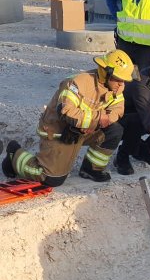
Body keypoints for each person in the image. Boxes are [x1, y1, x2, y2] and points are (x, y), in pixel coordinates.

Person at [2, 50, 135, 185]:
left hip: (82, 130)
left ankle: (91, 169)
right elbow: (67, 112)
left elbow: (118, 110)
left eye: (123, 80)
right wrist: (97, 119)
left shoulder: (116, 88)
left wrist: (94, 123)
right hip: (61, 131)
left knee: (115, 130)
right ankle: (15, 155)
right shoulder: (76, 83)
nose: (121, 84)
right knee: (51, 178)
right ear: (105, 73)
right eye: (118, 79)